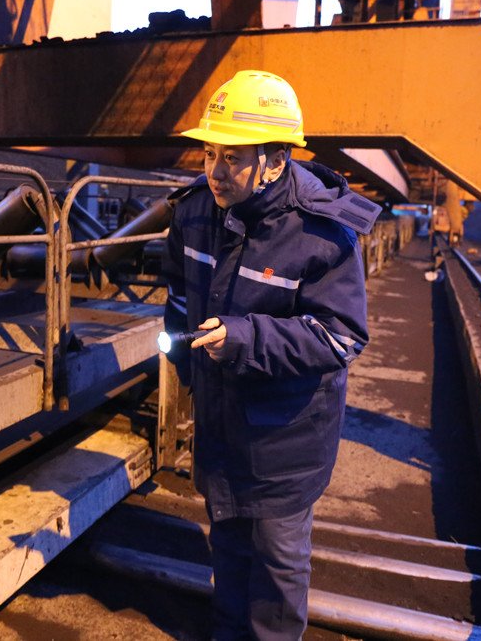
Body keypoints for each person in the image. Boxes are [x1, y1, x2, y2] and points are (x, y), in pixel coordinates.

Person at [162, 70, 380, 640]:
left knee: (276, 570)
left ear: (277, 161)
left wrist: (245, 339)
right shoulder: (193, 213)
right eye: (210, 153)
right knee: (228, 546)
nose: (214, 171)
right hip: (220, 427)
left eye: (232, 157)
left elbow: (341, 335)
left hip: (286, 441)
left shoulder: (323, 234)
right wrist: (187, 364)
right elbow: (178, 294)